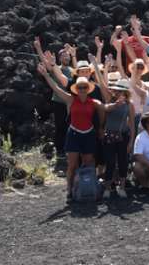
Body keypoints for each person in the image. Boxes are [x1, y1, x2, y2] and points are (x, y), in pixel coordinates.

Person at [36, 64, 105, 201]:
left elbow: (104, 109)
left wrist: (101, 127)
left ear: (88, 89)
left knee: (88, 163)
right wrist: (46, 75)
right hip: (74, 134)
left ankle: (89, 188)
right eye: (79, 87)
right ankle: (69, 190)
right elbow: (55, 88)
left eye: (85, 87)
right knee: (72, 165)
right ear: (76, 89)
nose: (82, 90)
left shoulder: (94, 102)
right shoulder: (70, 99)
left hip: (89, 134)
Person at [101, 79, 135, 199]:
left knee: (123, 162)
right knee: (109, 162)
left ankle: (122, 187)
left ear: (126, 92)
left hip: (123, 136)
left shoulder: (129, 104)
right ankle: (107, 188)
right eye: (118, 90)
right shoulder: (111, 99)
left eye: (121, 90)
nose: (119, 92)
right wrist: (116, 104)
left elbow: (131, 124)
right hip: (109, 135)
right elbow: (106, 108)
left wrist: (131, 141)